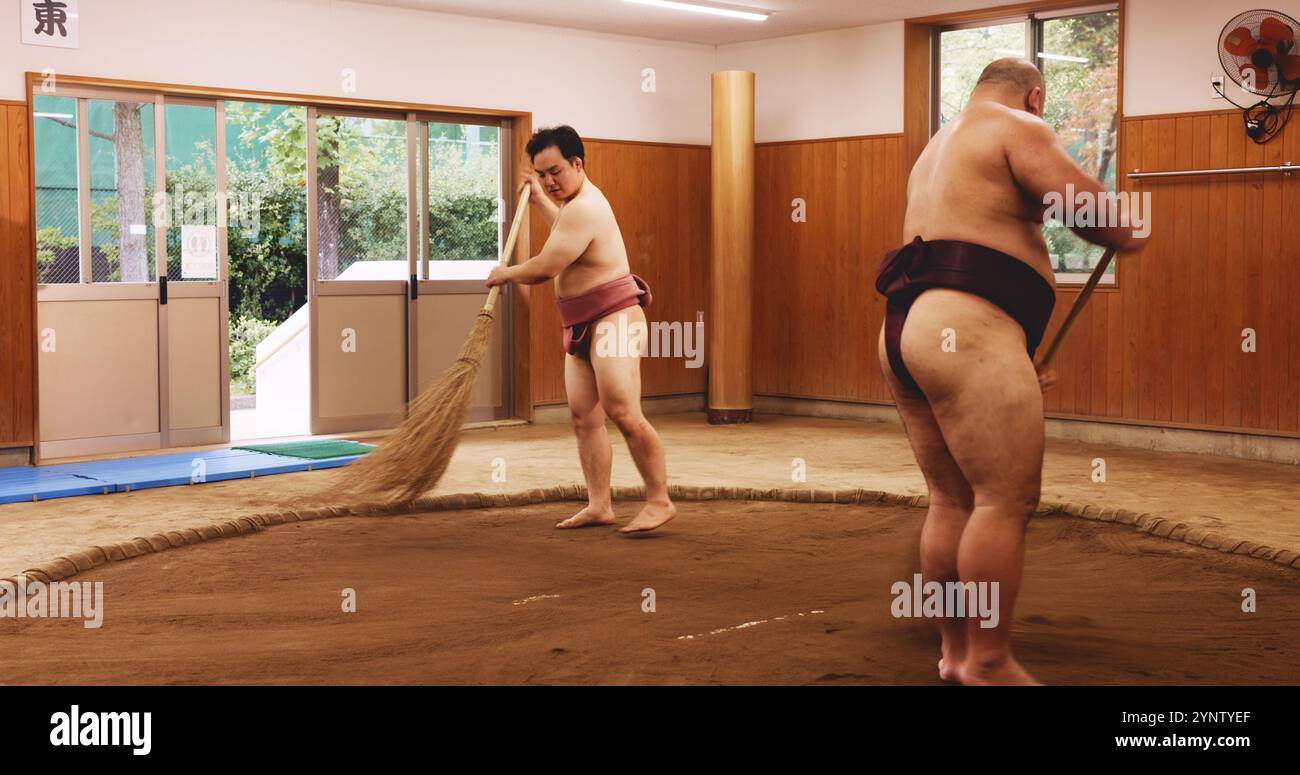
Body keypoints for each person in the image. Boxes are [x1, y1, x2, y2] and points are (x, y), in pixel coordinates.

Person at [876, 58, 1146, 684]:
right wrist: (1129, 228)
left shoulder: (937, 145)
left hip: (908, 327)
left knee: (951, 498)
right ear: (1035, 95)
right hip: (967, 326)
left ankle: (954, 653)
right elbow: (1095, 217)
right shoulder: (1017, 127)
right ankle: (990, 660)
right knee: (1004, 501)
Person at [486, 125, 676, 533]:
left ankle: (659, 501)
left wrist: (505, 273)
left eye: (555, 172)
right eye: (540, 175)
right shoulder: (573, 208)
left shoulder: (587, 206)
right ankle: (599, 505)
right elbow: (567, 235)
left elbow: (547, 267)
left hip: (615, 317)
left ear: (577, 163)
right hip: (580, 323)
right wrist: (540, 203)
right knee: (583, 416)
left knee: (622, 410)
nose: (549, 181)